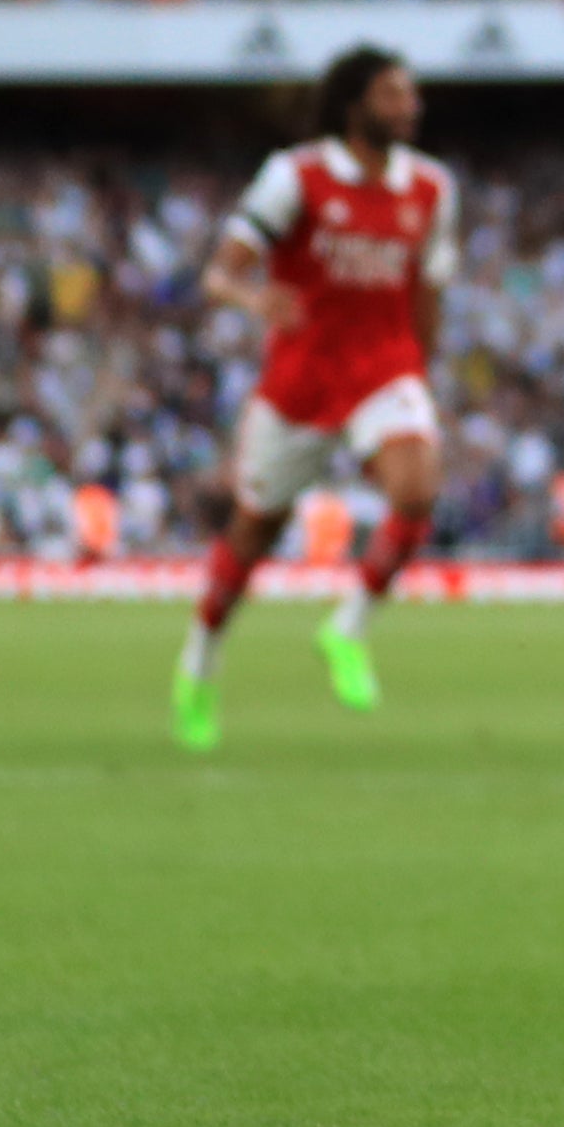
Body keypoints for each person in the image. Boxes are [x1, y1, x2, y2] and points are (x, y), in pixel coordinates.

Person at [173, 45, 457, 754]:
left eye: (411, 94)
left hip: (384, 369)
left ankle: (348, 627)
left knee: (417, 490)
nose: (410, 107)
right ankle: (199, 663)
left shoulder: (430, 188)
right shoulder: (294, 176)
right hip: (302, 380)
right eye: (394, 95)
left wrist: (421, 372)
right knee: (252, 534)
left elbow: (427, 288)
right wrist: (252, 296)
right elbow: (219, 273)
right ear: (355, 105)